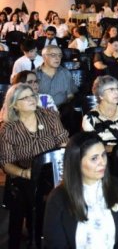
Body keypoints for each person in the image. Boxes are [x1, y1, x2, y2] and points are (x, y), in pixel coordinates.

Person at [0, 83, 69, 249]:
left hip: (54, 170)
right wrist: (25, 173)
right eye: (26, 97)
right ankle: (36, 237)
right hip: (26, 174)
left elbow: (64, 142)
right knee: (32, 193)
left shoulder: (49, 115)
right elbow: (6, 163)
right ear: (15, 104)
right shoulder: (8, 128)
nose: (32, 99)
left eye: (32, 96)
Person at [43, 132, 118, 248]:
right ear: (76, 163)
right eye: (94, 158)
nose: (102, 162)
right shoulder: (58, 198)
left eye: (103, 155)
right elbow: (55, 245)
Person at [83, 76, 118, 147]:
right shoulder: (89, 118)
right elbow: (93, 146)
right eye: (111, 89)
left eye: (117, 89)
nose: (116, 92)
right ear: (101, 95)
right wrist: (117, 149)